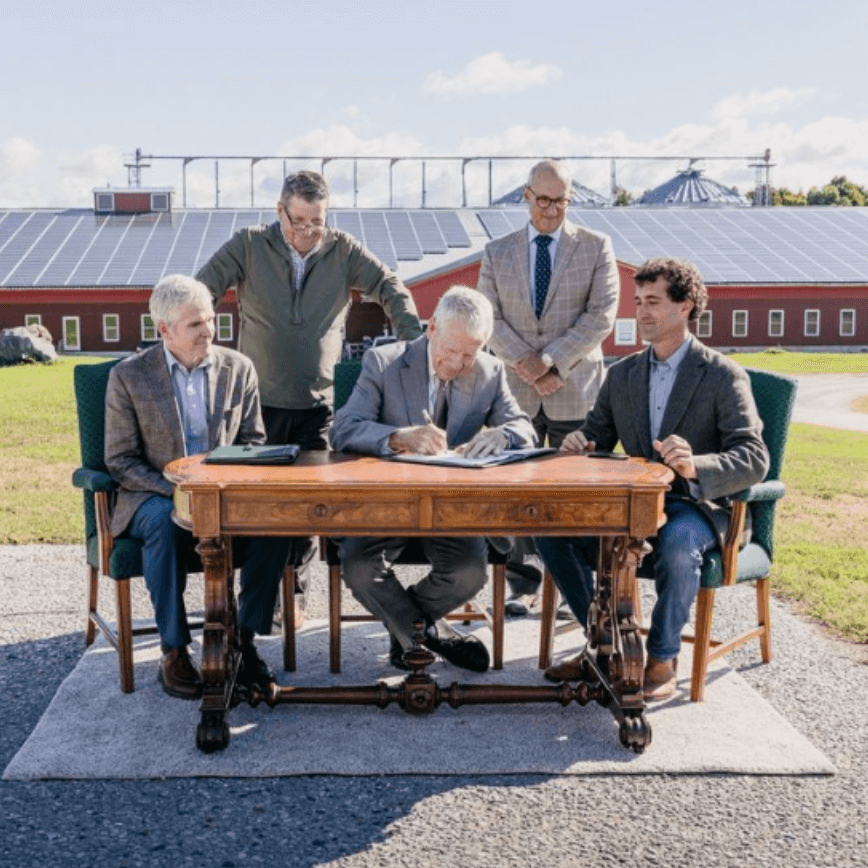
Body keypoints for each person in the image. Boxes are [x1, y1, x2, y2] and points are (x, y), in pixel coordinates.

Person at [534, 258, 770, 700]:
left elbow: (754, 458)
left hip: (696, 507)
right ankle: (603, 644)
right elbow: (599, 434)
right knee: (549, 529)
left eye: (653, 302)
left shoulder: (722, 375)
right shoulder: (621, 375)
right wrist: (581, 441)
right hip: (631, 507)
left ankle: (661, 659)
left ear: (686, 307)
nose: (641, 311)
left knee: (679, 545)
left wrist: (696, 463)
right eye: (638, 301)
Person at [196, 170, 423, 613]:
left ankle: (294, 593)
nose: (307, 232)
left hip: (316, 404)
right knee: (259, 505)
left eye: (316, 222)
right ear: (279, 212)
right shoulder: (248, 245)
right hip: (256, 403)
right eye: (298, 221)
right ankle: (255, 601)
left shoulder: (344, 250)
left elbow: (391, 287)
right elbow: (201, 288)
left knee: (307, 507)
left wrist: (414, 343)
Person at [329, 286, 536, 672]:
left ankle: (406, 630)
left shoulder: (490, 372)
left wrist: (502, 434)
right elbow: (343, 428)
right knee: (357, 565)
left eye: (470, 354)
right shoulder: (383, 362)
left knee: (471, 572)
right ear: (430, 329)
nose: (458, 363)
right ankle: (432, 635)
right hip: (386, 505)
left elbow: (524, 427)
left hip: (452, 511)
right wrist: (396, 437)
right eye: (451, 350)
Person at [105, 275, 291, 700]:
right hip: (154, 495)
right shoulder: (128, 377)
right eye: (195, 324)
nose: (208, 331)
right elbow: (119, 460)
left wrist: (227, 485)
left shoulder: (238, 367)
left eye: (211, 319)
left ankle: (243, 640)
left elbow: (254, 443)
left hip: (226, 492)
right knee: (164, 526)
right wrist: (177, 490)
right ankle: (173, 650)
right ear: (164, 330)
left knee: (279, 525)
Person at [477, 159, 620, 615]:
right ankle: (522, 585)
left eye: (560, 201)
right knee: (515, 490)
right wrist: (525, 362)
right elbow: (488, 316)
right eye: (543, 200)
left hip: (575, 388)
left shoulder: (596, 247)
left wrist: (551, 361)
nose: (552, 209)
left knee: (573, 496)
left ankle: (573, 591)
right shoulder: (497, 252)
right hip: (516, 388)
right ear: (526, 196)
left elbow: (600, 316)